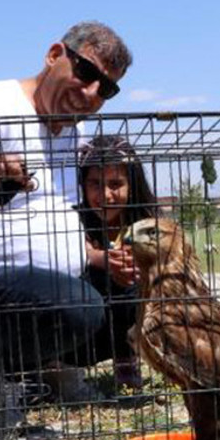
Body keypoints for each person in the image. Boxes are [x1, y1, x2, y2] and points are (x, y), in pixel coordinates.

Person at [0, 21, 132, 418]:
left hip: (54, 293)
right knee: (80, 306)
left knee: (140, 294)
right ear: (55, 55)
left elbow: (56, 220)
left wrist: (99, 258)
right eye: (86, 72)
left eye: (106, 89)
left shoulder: (74, 132)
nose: (91, 93)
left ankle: (54, 367)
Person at [77, 135, 159, 390]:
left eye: (115, 184)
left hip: (127, 321)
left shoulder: (146, 221)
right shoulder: (73, 220)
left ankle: (126, 358)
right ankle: (55, 365)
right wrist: (98, 258)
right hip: (84, 323)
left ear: (132, 185)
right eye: (95, 183)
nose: (105, 195)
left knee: (136, 284)